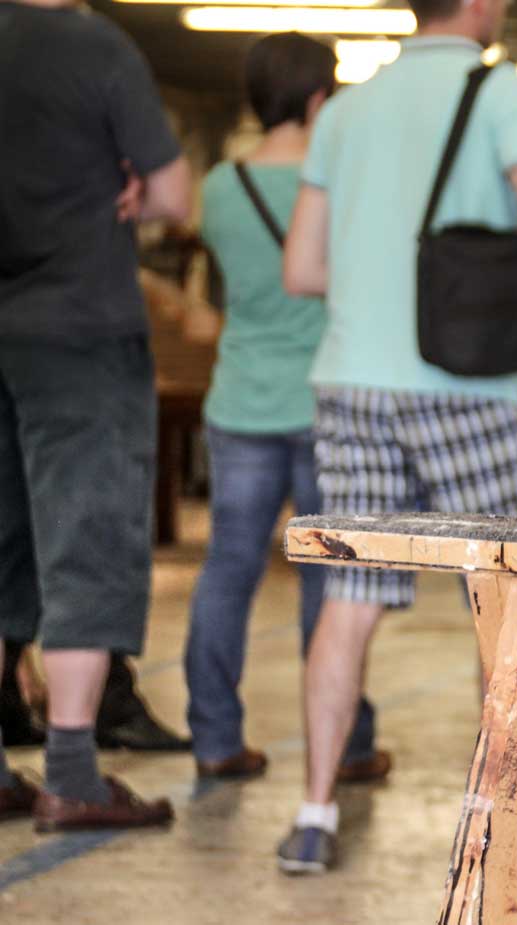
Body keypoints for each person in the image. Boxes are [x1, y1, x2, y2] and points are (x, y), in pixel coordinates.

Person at [275, 0, 517, 872]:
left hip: (354, 381)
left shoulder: (345, 108)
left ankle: (314, 814)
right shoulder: (501, 92)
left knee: (349, 598)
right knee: (508, 602)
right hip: (469, 387)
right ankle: (512, 825)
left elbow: (302, 267)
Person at [0, 0, 191, 829]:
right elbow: (175, 195)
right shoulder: (93, 46)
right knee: (87, 541)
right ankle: (73, 772)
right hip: (80, 327)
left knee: (3, 544)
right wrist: (132, 189)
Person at [183, 33, 380, 783]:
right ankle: (347, 744)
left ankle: (214, 737)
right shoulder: (338, 180)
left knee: (228, 568)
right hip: (328, 401)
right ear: (318, 98)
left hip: (239, 399)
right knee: (331, 576)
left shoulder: (218, 186)